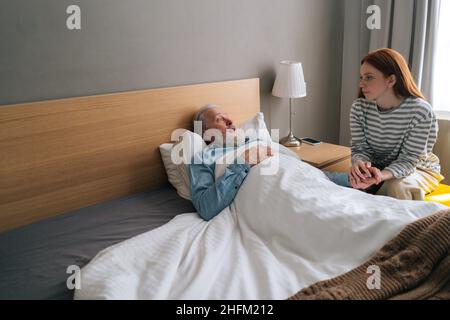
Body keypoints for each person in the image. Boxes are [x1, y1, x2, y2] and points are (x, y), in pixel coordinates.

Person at [330, 48, 444, 200]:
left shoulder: (420, 111)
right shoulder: (359, 108)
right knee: (330, 181)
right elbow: (360, 148)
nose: (361, 84)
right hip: (378, 170)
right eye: (361, 77)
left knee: (395, 186)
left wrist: (380, 176)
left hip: (418, 169)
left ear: (391, 80)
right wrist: (360, 166)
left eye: (369, 77)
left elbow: (409, 160)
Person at [188, 104, 273, 221]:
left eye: (227, 116)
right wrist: (243, 162)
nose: (229, 121)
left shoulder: (253, 140)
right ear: (206, 132)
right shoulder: (203, 158)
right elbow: (205, 208)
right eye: (219, 119)